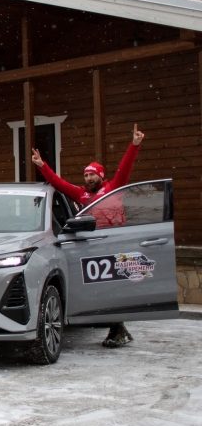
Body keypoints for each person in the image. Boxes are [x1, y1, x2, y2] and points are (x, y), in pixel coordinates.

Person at [32, 123, 145, 348]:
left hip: (114, 244)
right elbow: (59, 184)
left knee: (114, 288)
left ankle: (117, 329)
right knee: (99, 288)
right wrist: (42, 166)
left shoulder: (113, 187)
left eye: (92, 174)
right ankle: (116, 328)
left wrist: (134, 145)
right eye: (86, 174)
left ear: (101, 176)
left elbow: (125, 168)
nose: (88, 178)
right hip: (93, 246)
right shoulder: (81, 194)